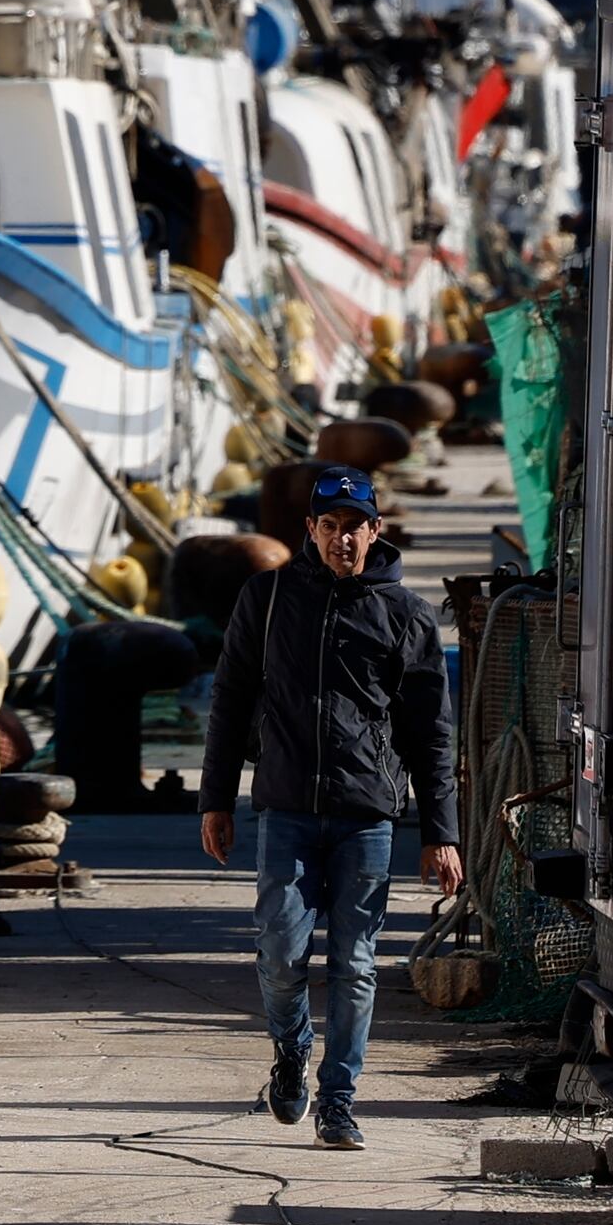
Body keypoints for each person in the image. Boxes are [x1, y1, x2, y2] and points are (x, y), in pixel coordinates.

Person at [197, 463, 459, 1149]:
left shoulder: (406, 616)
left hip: (367, 814)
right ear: (309, 530)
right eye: (330, 526)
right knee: (281, 952)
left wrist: (441, 831)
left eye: (355, 527)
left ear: (378, 529)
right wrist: (215, 799)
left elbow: (431, 732)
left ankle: (339, 1100)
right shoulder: (270, 597)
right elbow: (228, 702)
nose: (343, 540)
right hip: (284, 808)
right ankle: (291, 1050)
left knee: (357, 963)